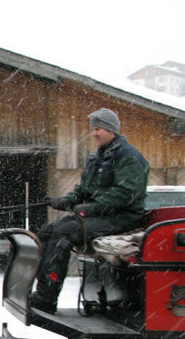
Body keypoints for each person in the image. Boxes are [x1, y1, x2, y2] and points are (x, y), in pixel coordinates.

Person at [30, 108, 149, 314]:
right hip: (103, 216)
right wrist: (64, 201)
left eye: (99, 128)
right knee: (47, 232)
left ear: (112, 130)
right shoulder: (98, 156)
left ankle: (47, 297)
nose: (95, 133)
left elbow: (125, 193)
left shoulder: (128, 157)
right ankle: (41, 289)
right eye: (93, 129)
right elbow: (85, 189)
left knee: (63, 233)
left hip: (123, 219)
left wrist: (92, 208)